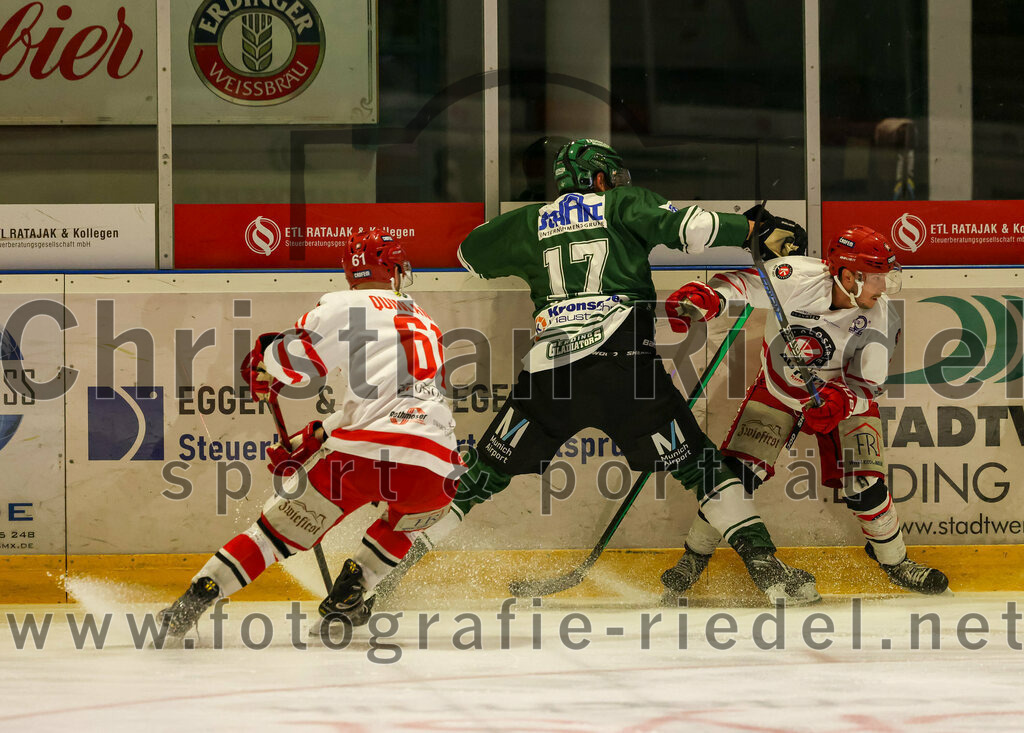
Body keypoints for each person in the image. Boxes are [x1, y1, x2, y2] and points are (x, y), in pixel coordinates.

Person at [375, 137, 821, 606]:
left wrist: (537, 230)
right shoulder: (623, 203)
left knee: (481, 475)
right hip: (624, 370)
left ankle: (385, 571)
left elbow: (471, 252)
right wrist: (753, 227)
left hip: (550, 379)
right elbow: (690, 226)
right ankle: (769, 573)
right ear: (602, 178)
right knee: (703, 469)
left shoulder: (530, 222)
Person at [158, 229, 463, 638]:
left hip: (363, 457)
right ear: (393, 268)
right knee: (407, 521)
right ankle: (356, 583)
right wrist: (312, 438)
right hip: (436, 466)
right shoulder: (426, 320)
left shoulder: (345, 304)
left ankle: (200, 594)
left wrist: (264, 362)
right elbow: (399, 404)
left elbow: (291, 364)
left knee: (270, 537)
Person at [660, 224, 949, 596]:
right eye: (878, 279)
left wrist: (842, 401)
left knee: (865, 487)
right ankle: (694, 557)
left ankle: (894, 560)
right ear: (848, 275)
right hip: (778, 391)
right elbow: (739, 285)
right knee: (736, 477)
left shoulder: (881, 316)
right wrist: (706, 297)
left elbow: (867, 386)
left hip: (841, 397)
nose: (884, 288)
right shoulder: (794, 276)